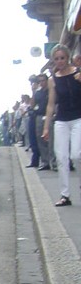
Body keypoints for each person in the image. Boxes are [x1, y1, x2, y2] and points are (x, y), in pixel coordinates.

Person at [41, 44, 81, 206]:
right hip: (61, 120)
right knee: (61, 158)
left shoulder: (78, 73)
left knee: (76, 155)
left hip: (78, 118)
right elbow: (51, 104)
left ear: (68, 57)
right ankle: (65, 195)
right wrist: (46, 127)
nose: (60, 61)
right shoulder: (53, 80)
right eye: (56, 59)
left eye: (62, 58)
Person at [31, 72, 52, 170]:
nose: (41, 83)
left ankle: (53, 162)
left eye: (43, 80)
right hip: (39, 116)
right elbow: (32, 105)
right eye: (40, 81)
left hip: (49, 116)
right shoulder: (38, 92)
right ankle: (45, 162)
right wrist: (33, 92)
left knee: (51, 140)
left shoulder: (50, 90)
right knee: (40, 139)